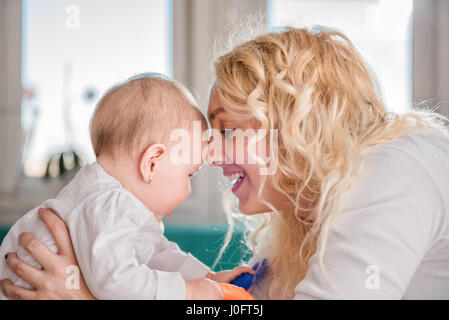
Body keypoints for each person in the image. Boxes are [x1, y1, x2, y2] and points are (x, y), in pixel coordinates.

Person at [2, 26, 449, 300]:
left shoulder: (392, 170)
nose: (210, 154)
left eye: (227, 131)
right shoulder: (311, 221)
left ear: (295, 126)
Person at [0, 73, 252, 300]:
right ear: (152, 164)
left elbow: (157, 256)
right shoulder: (108, 202)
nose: (188, 191)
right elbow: (117, 282)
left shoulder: (111, 202)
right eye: (190, 175)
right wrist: (186, 293)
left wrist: (208, 279)